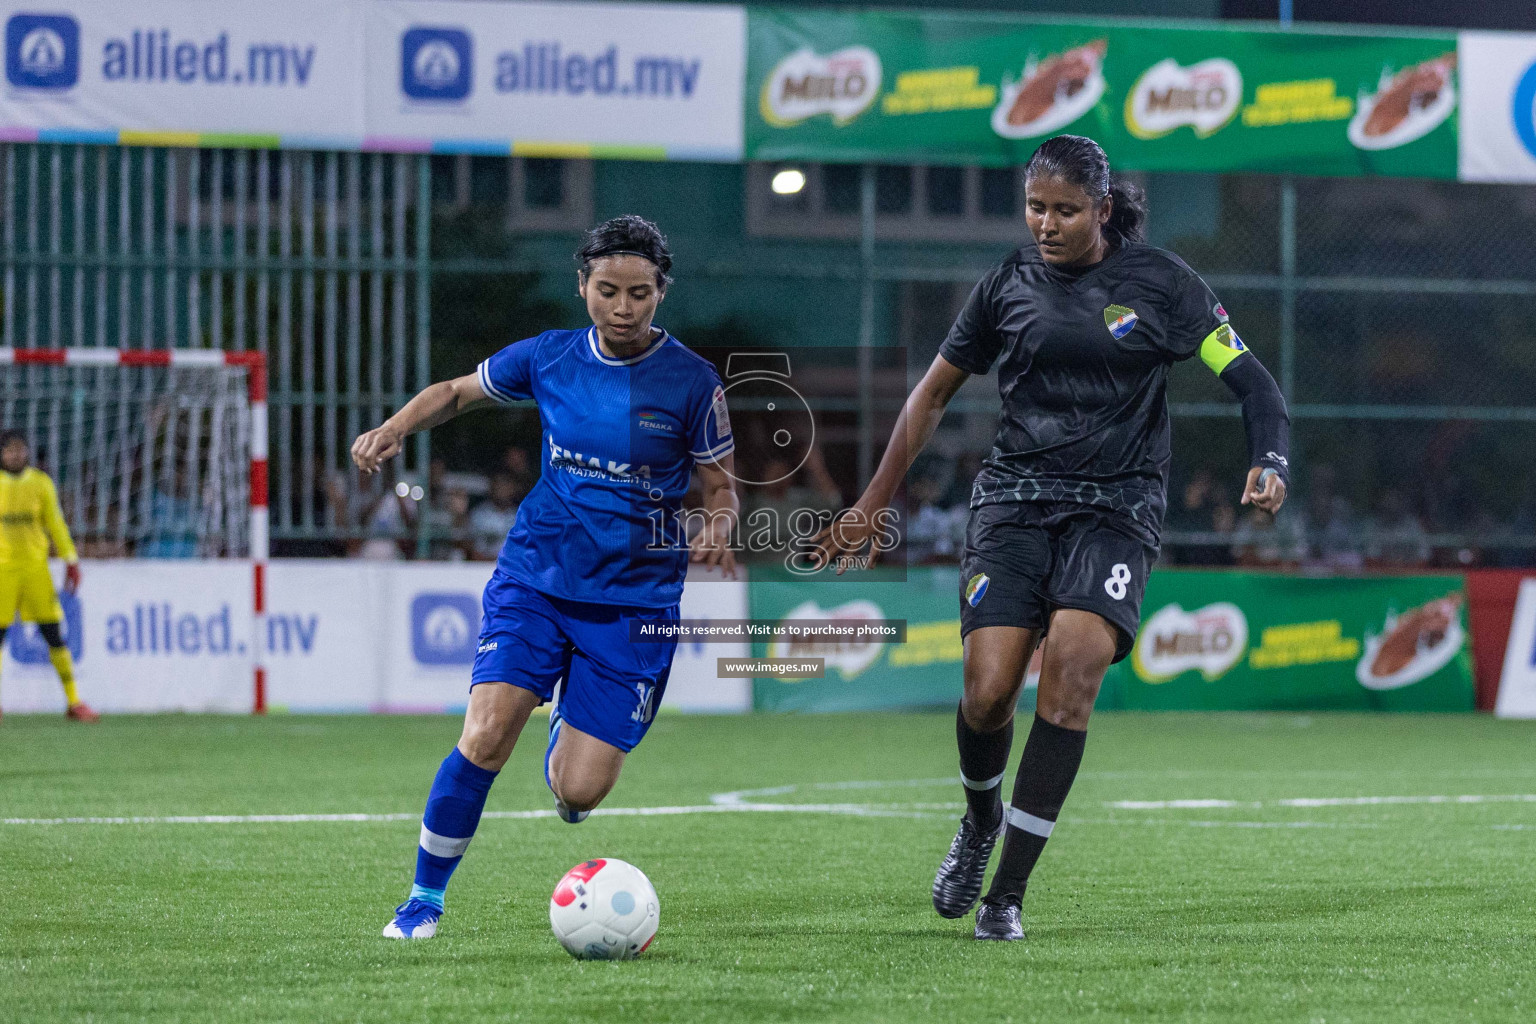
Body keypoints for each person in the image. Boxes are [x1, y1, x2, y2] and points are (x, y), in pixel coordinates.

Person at [816, 135, 1290, 941]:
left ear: (1103, 210)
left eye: (1065, 210)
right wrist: (871, 501)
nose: (1046, 223)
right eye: (1036, 207)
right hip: (1014, 501)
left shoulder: (1164, 286)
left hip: (1116, 506)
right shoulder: (1008, 281)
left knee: (1070, 674)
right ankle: (978, 820)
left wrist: (1270, 458)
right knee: (987, 689)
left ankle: (1006, 896)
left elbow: (1254, 383)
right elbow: (931, 395)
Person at [352, 215, 739, 940]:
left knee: (578, 791)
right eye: (606, 291)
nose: (622, 309)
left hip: (634, 603)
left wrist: (717, 525)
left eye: (639, 294)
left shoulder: (691, 382)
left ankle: (567, 721)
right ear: (583, 286)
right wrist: (395, 428)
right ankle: (423, 901)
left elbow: (720, 484)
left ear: (662, 293)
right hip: (536, 577)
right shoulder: (550, 358)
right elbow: (457, 391)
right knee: (487, 734)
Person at [0, 429, 97, 722]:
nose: (16, 455)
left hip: (35, 570)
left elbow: (55, 523)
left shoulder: (41, 483)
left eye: (21, 449)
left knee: (53, 633)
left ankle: (74, 702)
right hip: (3, 569)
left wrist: (71, 559)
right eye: (10, 450)